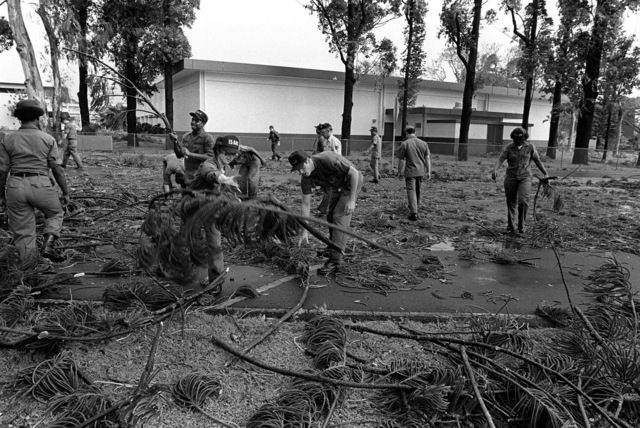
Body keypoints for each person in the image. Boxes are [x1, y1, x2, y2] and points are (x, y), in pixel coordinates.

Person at [0, 99, 69, 264]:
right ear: (38, 118)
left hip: (15, 185)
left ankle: (29, 270)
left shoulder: (8, 139)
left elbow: (2, 170)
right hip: (41, 184)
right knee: (55, 213)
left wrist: (1, 194)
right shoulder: (47, 139)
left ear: (19, 118)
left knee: (24, 232)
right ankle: (48, 245)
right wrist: (65, 192)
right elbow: (57, 169)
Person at [289, 150, 363, 275]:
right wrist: (305, 231)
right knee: (330, 215)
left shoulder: (327, 159)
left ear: (307, 161)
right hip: (336, 186)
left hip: (351, 183)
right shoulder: (306, 177)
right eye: (297, 170)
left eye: (301, 168)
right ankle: (332, 245)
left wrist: (352, 200)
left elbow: (354, 173)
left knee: (339, 217)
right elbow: (306, 204)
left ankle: (335, 260)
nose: (301, 172)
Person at [492, 127, 548, 234]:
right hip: (511, 178)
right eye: (515, 139)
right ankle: (511, 227)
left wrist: (545, 173)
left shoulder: (530, 147)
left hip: (525, 177)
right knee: (511, 202)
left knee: (523, 201)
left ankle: (521, 226)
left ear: (524, 138)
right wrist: (495, 170)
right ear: (513, 138)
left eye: (520, 139)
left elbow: (537, 160)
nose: (517, 141)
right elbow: (500, 159)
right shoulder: (509, 147)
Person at [170, 109, 216, 183]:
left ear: (203, 123)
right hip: (188, 175)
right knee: (186, 194)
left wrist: (190, 154)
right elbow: (179, 155)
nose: (193, 122)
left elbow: (211, 157)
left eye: (196, 120)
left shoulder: (207, 138)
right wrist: (175, 142)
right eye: (192, 120)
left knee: (198, 194)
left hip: (202, 177)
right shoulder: (186, 136)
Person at [397, 126, 431, 221]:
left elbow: (402, 160)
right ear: (414, 132)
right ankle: (415, 206)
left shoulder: (405, 144)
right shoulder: (424, 143)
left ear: (406, 133)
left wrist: (400, 171)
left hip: (410, 171)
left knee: (411, 190)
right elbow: (427, 158)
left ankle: (413, 212)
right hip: (421, 171)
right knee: (417, 190)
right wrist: (428, 171)